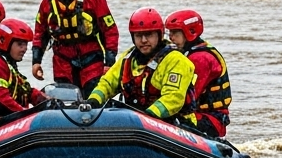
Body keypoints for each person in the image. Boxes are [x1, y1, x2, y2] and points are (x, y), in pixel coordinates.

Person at [86, 8, 195, 122]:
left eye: (148, 35)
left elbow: (173, 98)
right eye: (138, 35)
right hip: (137, 121)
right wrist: (94, 100)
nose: (143, 40)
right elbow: (107, 83)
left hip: (175, 123)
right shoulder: (127, 59)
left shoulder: (176, 60)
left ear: (160, 35)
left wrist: (148, 116)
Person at [31, 0, 118, 96]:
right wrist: (36, 61)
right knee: (66, 98)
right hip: (62, 60)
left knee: (93, 95)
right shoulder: (48, 3)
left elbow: (110, 31)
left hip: (91, 57)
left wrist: (109, 62)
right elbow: (40, 33)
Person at [165, 9, 231, 138]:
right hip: (198, 115)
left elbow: (186, 95)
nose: (170, 38)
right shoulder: (187, 53)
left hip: (210, 120)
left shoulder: (200, 59)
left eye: (175, 33)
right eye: (169, 32)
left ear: (190, 32)